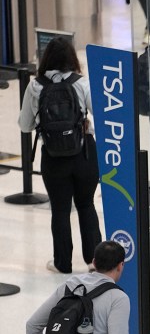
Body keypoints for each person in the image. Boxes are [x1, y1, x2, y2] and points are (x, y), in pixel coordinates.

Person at [17, 36, 102, 275]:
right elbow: (100, 115)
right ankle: (95, 262)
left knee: (60, 209)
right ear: (72, 58)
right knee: (86, 205)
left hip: (53, 157)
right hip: (84, 152)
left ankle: (62, 263)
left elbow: (24, 125)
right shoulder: (81, 83)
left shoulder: (35, 86)